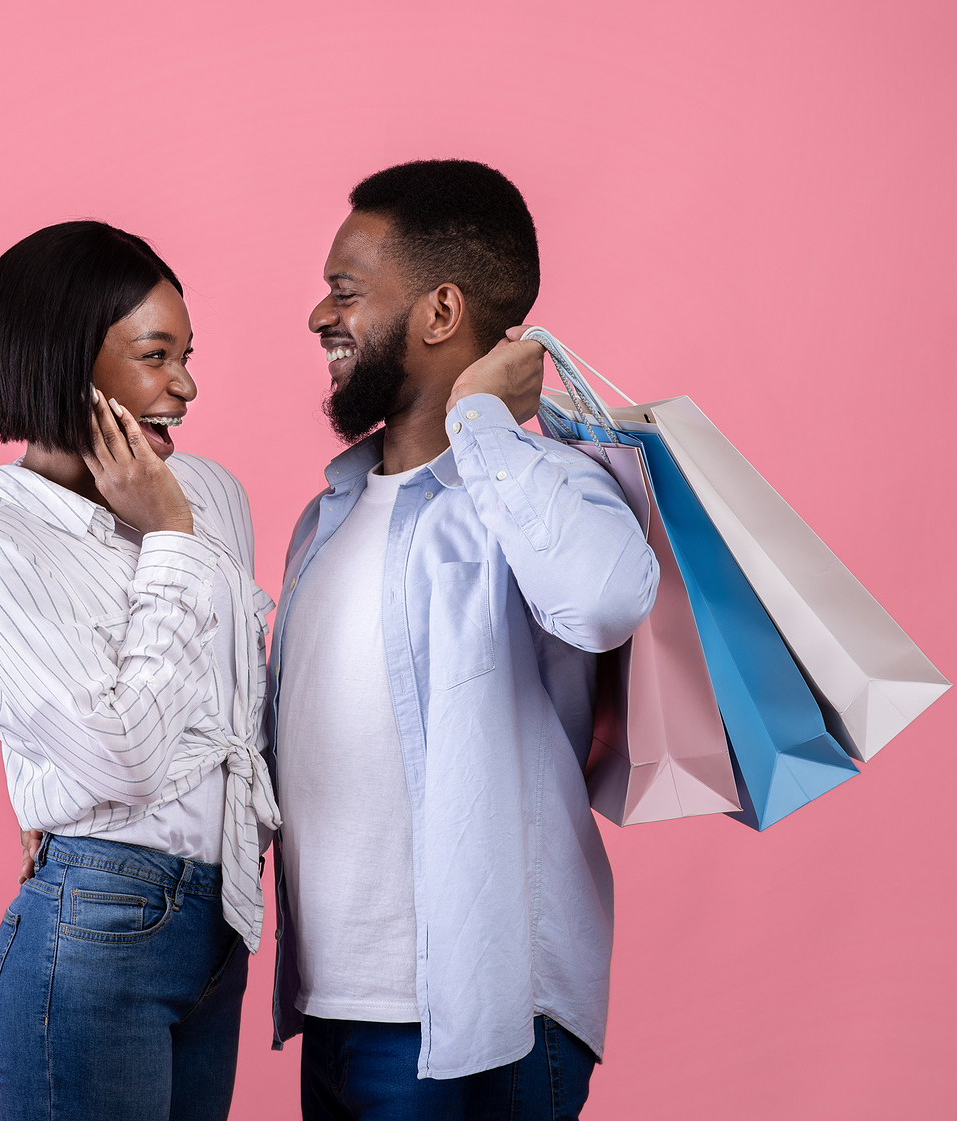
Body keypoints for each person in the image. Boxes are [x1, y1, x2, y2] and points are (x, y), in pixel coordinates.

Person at [268, 160, 661, 1120]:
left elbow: (606, 600)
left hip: (478, 1026)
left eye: (346, 292)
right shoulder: (324, 518)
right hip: (335, 1013)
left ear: (442, 311)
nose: (320, 316)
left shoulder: (544, 484)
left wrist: (481, 416)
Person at [0, 220, 280, 1121]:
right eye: (155, 354)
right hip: (94, 929)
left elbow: (241, 717)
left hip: (223, 926)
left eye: (187, 353)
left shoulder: (214, 493)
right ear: (68, 365)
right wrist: (166, 538)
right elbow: (125, 756)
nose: (187, 383)